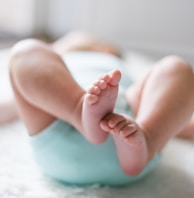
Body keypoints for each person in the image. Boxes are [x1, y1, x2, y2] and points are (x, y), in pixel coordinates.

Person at [2, 31, 194, 186]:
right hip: (74, 121)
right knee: (27, 51)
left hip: (67, 147)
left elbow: (169, 114)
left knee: (174, 68)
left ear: (107, 50)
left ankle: (145, 134)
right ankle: (81, 110)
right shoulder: (57, 68)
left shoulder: (116, 65)